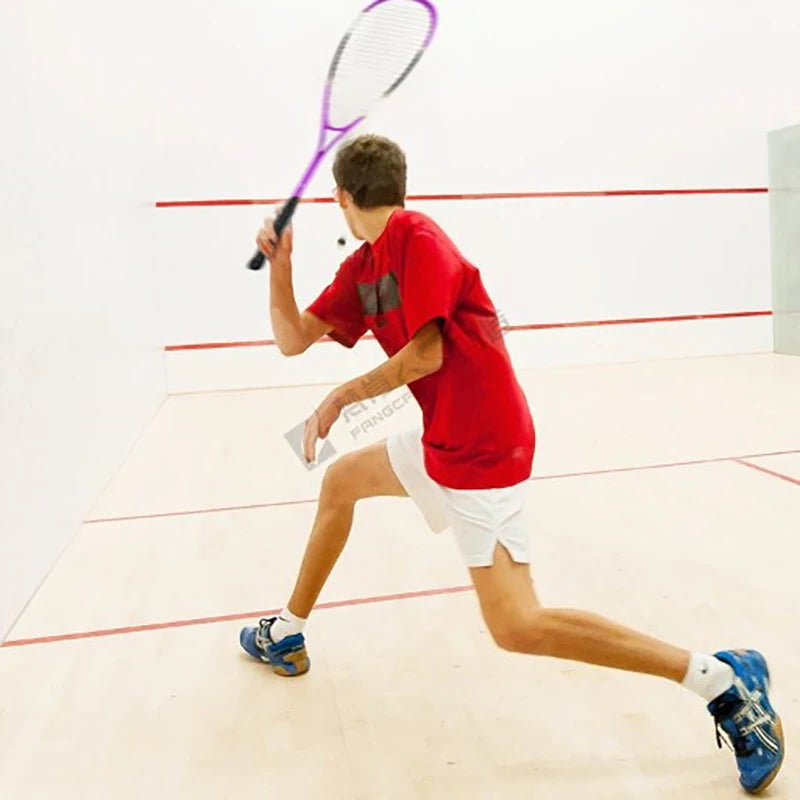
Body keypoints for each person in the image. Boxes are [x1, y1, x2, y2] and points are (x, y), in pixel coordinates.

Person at [239, 134, 784, 794]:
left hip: (487, 448)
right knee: (342, 480)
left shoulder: (417, 235)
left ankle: (723, 679)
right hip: (442, 437)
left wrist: (341, 398)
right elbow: (293, 339)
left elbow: (425, 356)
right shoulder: (364, 269)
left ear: (344, 198)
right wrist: (281, 264)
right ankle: (287, 634)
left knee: (517, 626)